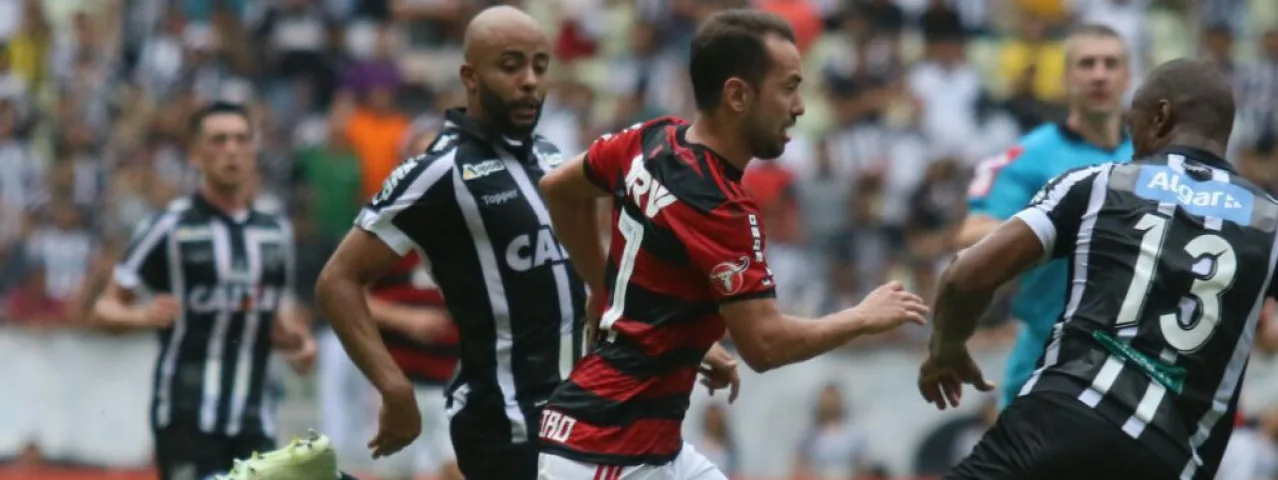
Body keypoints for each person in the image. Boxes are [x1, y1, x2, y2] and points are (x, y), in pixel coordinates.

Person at [535, 10, 928, 480]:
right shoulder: (720, 206)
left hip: (648, 447)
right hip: (607, 451)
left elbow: (560, 188)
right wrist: (862, 317)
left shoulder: (651, 138)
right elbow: (764, 344)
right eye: (788, 87)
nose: (800, 106)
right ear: (738, 95)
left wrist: (615, 300)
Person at [918, 58, 1274, 480]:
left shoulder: (1101, 184)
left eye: (1133, 123)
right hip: (1170, 458)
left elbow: (964, 276)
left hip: (1060, 417)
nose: (1132, 139)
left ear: (1160, 116)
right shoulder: (1268, 223)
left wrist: (947, 349)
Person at [313, 6, 585, 480]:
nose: (529, 81)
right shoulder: (440, 171)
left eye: (539, 67)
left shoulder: (549, 156)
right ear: (470, 76)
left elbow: (586, 269)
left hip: (575, 412)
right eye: (510, 65)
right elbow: (337, 281)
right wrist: (392, 387)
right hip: (505, 425)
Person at [88, 101, 317, 480]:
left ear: (253, 151)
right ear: (195, 155)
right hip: (185, 414)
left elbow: (274, 314)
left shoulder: (274, 233)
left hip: (253, 416)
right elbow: (104, 308)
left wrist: (298, 343)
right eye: (218, 140)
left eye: (241, 140)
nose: (231, 150)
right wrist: (141, 315)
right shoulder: (168, 227)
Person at [957, 24, 1134, 409]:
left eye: (1110, 63)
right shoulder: (1030, 156)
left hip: (1134, 363)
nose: (1099, 74)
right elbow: (973, 235)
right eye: (1087, 64)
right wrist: (1058, 226)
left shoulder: (1155, 158)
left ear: (1128, 76)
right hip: (1047, 358)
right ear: (1067, 77)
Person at [366, 253, 462, 480]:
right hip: (397, 384)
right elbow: (348, 298)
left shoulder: (460, 242)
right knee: (394, 471)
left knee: (456, 466)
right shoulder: (386, 243)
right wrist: (406, 319)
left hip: (452, 381)